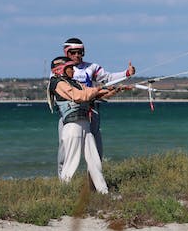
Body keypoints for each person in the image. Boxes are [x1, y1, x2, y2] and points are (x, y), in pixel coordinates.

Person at [55, 37, 136, 175]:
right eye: (73, 52)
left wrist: (126, 73)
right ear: (66, 53)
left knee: (95, 151)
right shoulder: (58, 69)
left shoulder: (92, 68)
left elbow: (108, 78)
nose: (77, 56)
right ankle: (62, 183)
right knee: (64, 151)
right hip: (69, 115)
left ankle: (93, 184)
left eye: (80, 52)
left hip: (91, 113)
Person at [48, 56, 120, 193]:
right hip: (72, 126)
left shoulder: (74, 83)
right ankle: (64, 192)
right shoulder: (57, 83)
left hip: (85, 125)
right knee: (71, 161)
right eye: (70, 68)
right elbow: (79, 96)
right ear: (60, 69)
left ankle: (102, 191)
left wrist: (114, 90)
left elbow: (91, 93)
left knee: (94, 160)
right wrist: (98, 89)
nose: (73, 71)